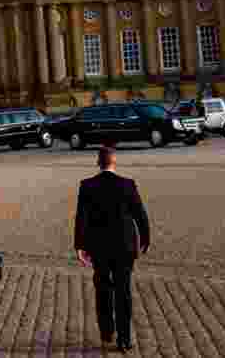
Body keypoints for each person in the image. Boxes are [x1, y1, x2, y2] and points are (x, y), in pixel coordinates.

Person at [74, 146, 150, 352]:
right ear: (114, 163)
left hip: (99, 246)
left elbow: (81, 218)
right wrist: (145, 239)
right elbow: (140, 215)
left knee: (103, 288)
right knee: (123, 291)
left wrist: (79, 245)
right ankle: (124, 339)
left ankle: (107, 330)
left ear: (98, 163)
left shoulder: (87, 185)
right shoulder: (128, 184)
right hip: (124, 246)